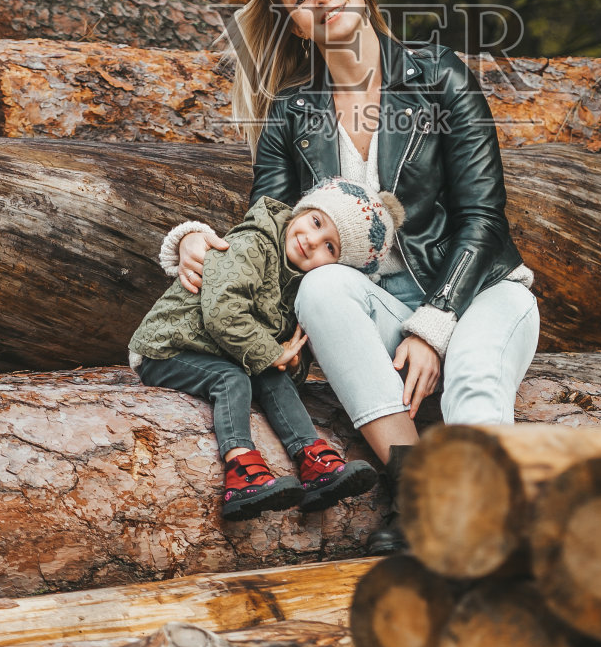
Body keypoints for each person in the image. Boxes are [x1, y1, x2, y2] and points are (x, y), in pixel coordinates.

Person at [159, 0, 540, 551]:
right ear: (295, 26)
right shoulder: (291, 112)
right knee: (324, 283)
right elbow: (274, 230)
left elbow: (483, 217)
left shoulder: (438, 75)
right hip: (378, 311)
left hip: (479, 294)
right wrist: (194, 242)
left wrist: (435, 323)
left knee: (471, 377)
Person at [130, 177, 402, 519]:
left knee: (275, 379)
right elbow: (221, 311)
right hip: (169, 347)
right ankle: (241, 471)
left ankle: (313, 461)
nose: (312, 241)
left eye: (330, 247)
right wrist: (273, 354)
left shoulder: (302, 284)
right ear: (302, 211)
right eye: (316, 222)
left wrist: (288, 361)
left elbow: (291, 350)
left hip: (221, 350)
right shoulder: (253, 243)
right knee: (231, 380)